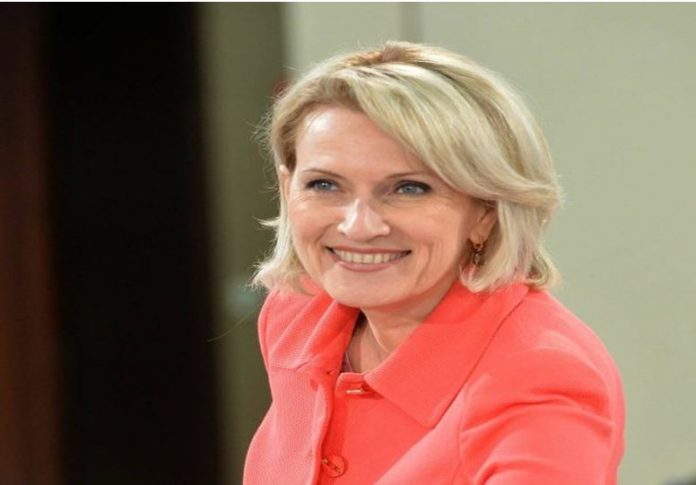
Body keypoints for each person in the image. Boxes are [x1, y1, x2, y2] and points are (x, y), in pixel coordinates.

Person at [244, 41, 625, 484]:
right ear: (287, 187)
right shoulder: (300, 310)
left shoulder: (541, 379)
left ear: (486, 211)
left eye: (409, 189)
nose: (358, 226)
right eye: (325, 184)